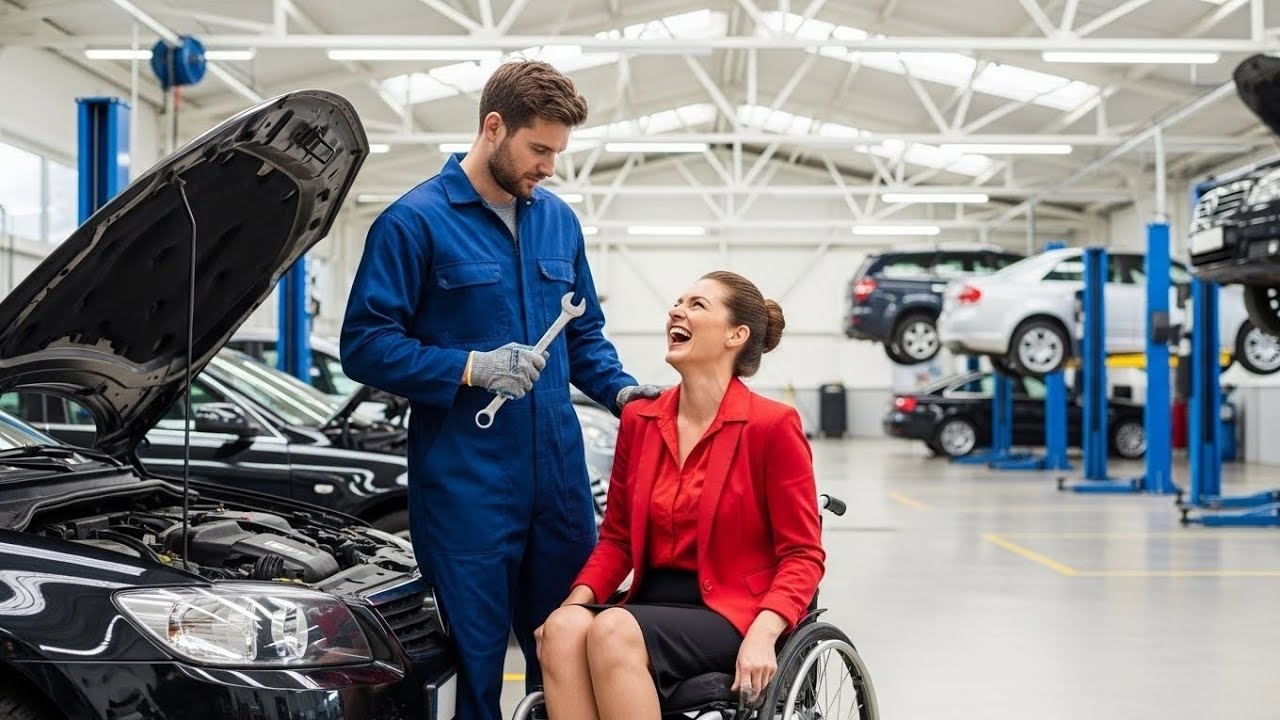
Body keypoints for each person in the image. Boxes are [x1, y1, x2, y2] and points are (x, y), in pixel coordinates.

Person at [340, 59, 659, 720]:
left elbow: (585, 336)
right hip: (466, 491)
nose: (549, 167)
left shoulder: (558, 225)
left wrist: (625, 395)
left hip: (559, 489)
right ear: (493, 127)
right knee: (477, 671)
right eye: (539, 149)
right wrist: (467, 368)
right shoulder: (414, 223)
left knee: (568, 655)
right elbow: (364, 344)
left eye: (557, 152)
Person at [534, 271, 826, 719]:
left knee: (612, 628)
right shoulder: (641, 420)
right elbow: (617, 540)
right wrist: (573, 606)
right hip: (651, 603)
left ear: (736, 335)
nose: (677, 310)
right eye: (677, 302)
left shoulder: (772, 426)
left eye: (697, 305)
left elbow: (803, 554)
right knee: (562, 629)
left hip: (733, 610)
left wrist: (766, 631)